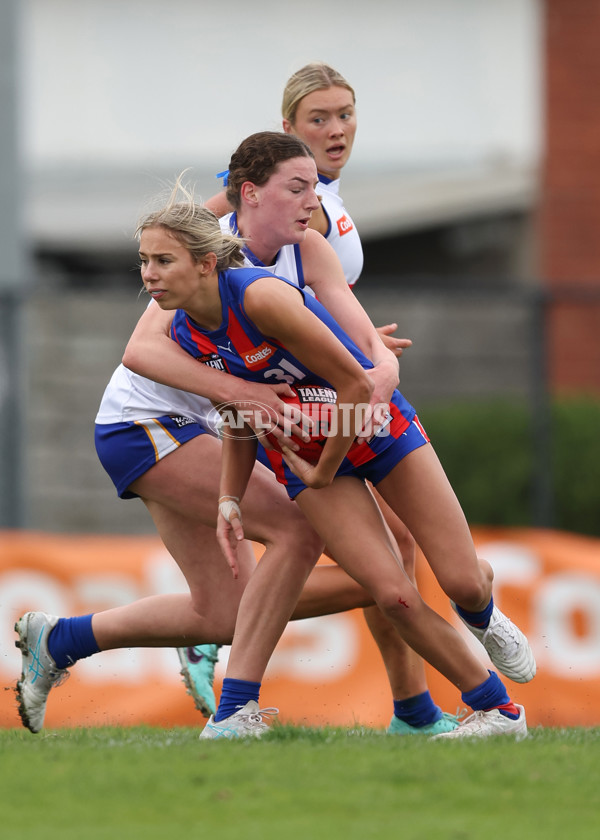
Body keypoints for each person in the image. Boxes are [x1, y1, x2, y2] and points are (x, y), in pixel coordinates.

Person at [13, 136, 443, 736]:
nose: (309, 197)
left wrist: (374, 358)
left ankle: (61, 639)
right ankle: (251, 706)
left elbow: (332, 335)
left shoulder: (313, 245)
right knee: (316, 538)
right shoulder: (212, 247)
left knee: (224, 614)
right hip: (149, 425)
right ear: (250, 191)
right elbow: (141, 350)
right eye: (298, 184)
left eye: (346, 120)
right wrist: (244, 395)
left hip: (198, 426)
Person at [135, 152, 534, 741]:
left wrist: (322, 470)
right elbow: (238, 416)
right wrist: (229, 498)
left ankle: (482, 613)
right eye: (144, 261)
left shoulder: (261, 297)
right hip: (311, 462)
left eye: (162, 261)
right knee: (392, 594)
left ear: (203, 263)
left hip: (376, 432)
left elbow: (354, 381)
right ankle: (500, 714)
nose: (148, 275)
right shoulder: (188, 331)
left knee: (463, 581)